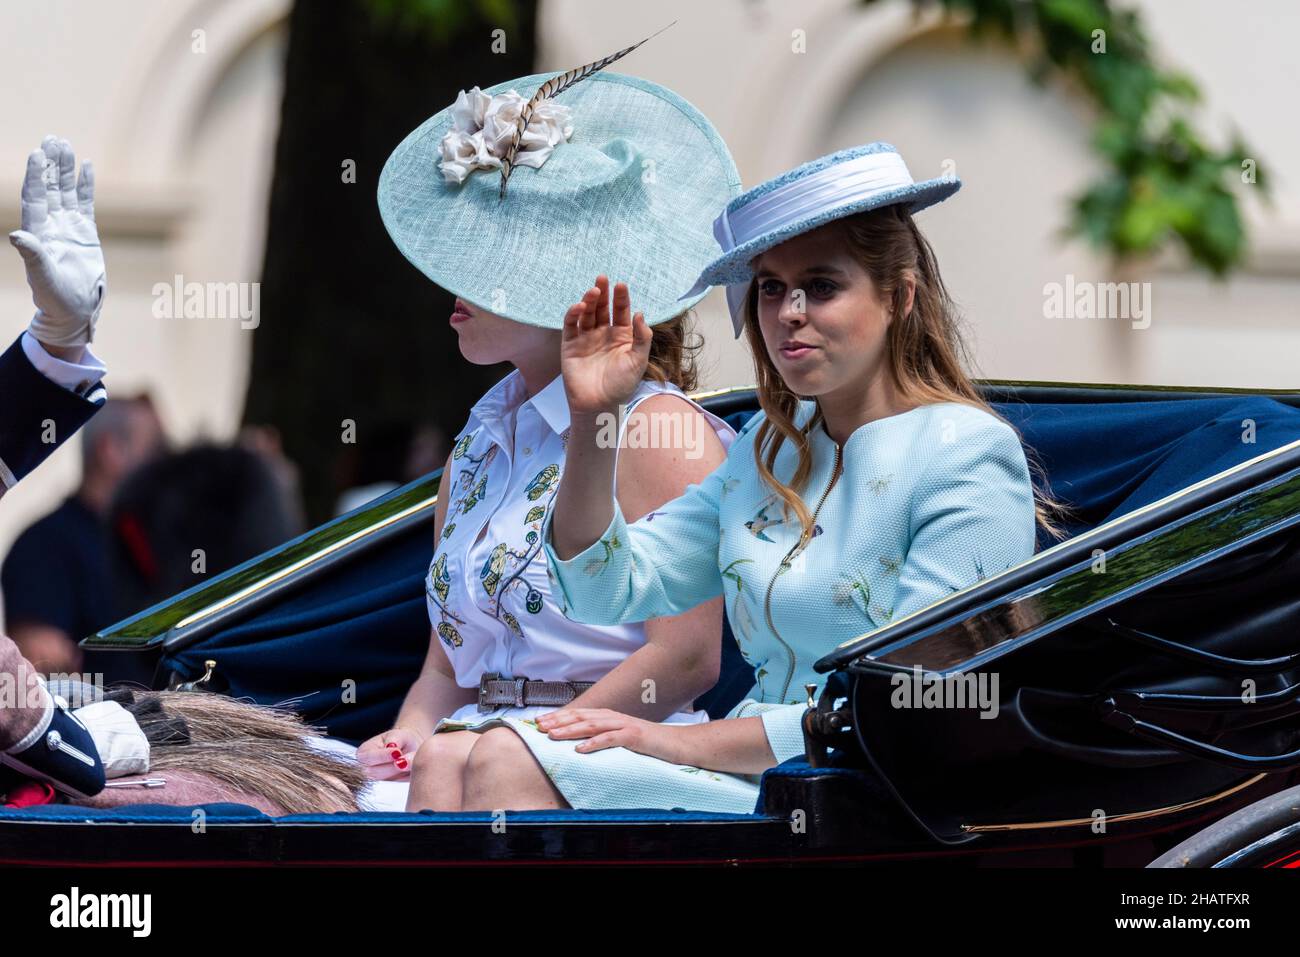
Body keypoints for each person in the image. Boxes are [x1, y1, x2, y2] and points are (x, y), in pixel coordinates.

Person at [474, 142, 1067, 814]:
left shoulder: (965, 450)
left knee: (502, 760)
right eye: (771, 287)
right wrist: (594, 419)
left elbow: (907, 699)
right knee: (452, 755)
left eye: (821, 285)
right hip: (760, 776)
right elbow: (604, 588)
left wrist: (673, 743)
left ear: (900, 296)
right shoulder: (767, 448)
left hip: (869, 792)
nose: (788, 311)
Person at [352, 37, 744, 812]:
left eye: (490, 255)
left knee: (479, 765)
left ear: (568, 288)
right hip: (479, 746)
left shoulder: (661, 434)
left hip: (621, 749)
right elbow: (446, 667)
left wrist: (530, 739)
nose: (452, 280)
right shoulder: (478, 439)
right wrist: (404, 736)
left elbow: (687, 659)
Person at [2, 395, 163, 678]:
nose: (164, 466)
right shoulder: (44, 545)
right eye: (155, 450)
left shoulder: (141, 540)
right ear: (111, 450)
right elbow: (37, 675)